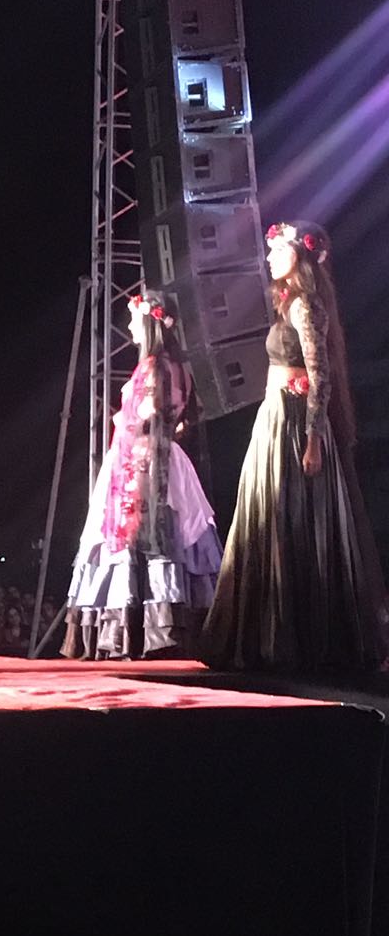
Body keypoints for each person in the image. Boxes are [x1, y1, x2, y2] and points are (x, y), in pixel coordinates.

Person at [201, 221, 386, 670]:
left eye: (277, 251)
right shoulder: (288, 304)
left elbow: (320, 375)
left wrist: (313, 437)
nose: (269, 258)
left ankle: (298, 639)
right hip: (274, 417)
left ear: (299, 257)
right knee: (265, 518)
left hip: (294, 424)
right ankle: (264, 636)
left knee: (294, 519)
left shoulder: (307, 305)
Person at [62, 293, 222, 659]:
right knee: (165, 537)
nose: (131, 326)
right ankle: (164, 626)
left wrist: (129, 420)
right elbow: (183, 417)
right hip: (162, 457)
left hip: (142, 460)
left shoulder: (154, 366)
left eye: (135, 319)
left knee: (143, 537)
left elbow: (151, 414)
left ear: (150, 323)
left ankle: (144, 632)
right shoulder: (177, 367)